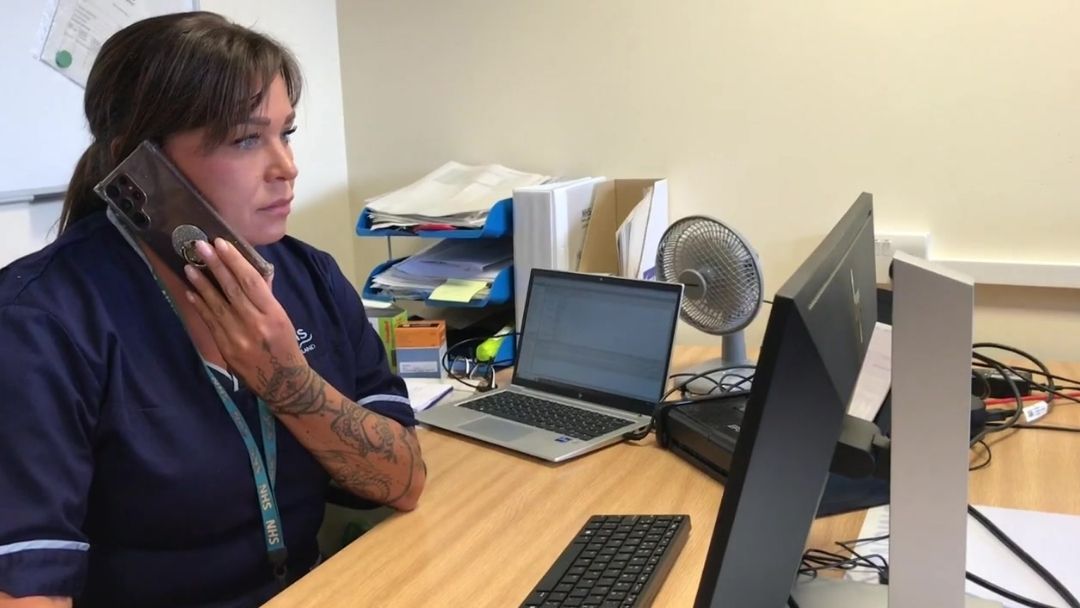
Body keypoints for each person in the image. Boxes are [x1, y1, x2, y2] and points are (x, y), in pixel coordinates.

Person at [0, 11, 426, 608]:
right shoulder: (40, 323)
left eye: (288, 133)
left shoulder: (312, 278)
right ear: (140, 163)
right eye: (247, 139)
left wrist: (286, 381)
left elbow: (403, 481)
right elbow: (28, 593)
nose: (287, 167)